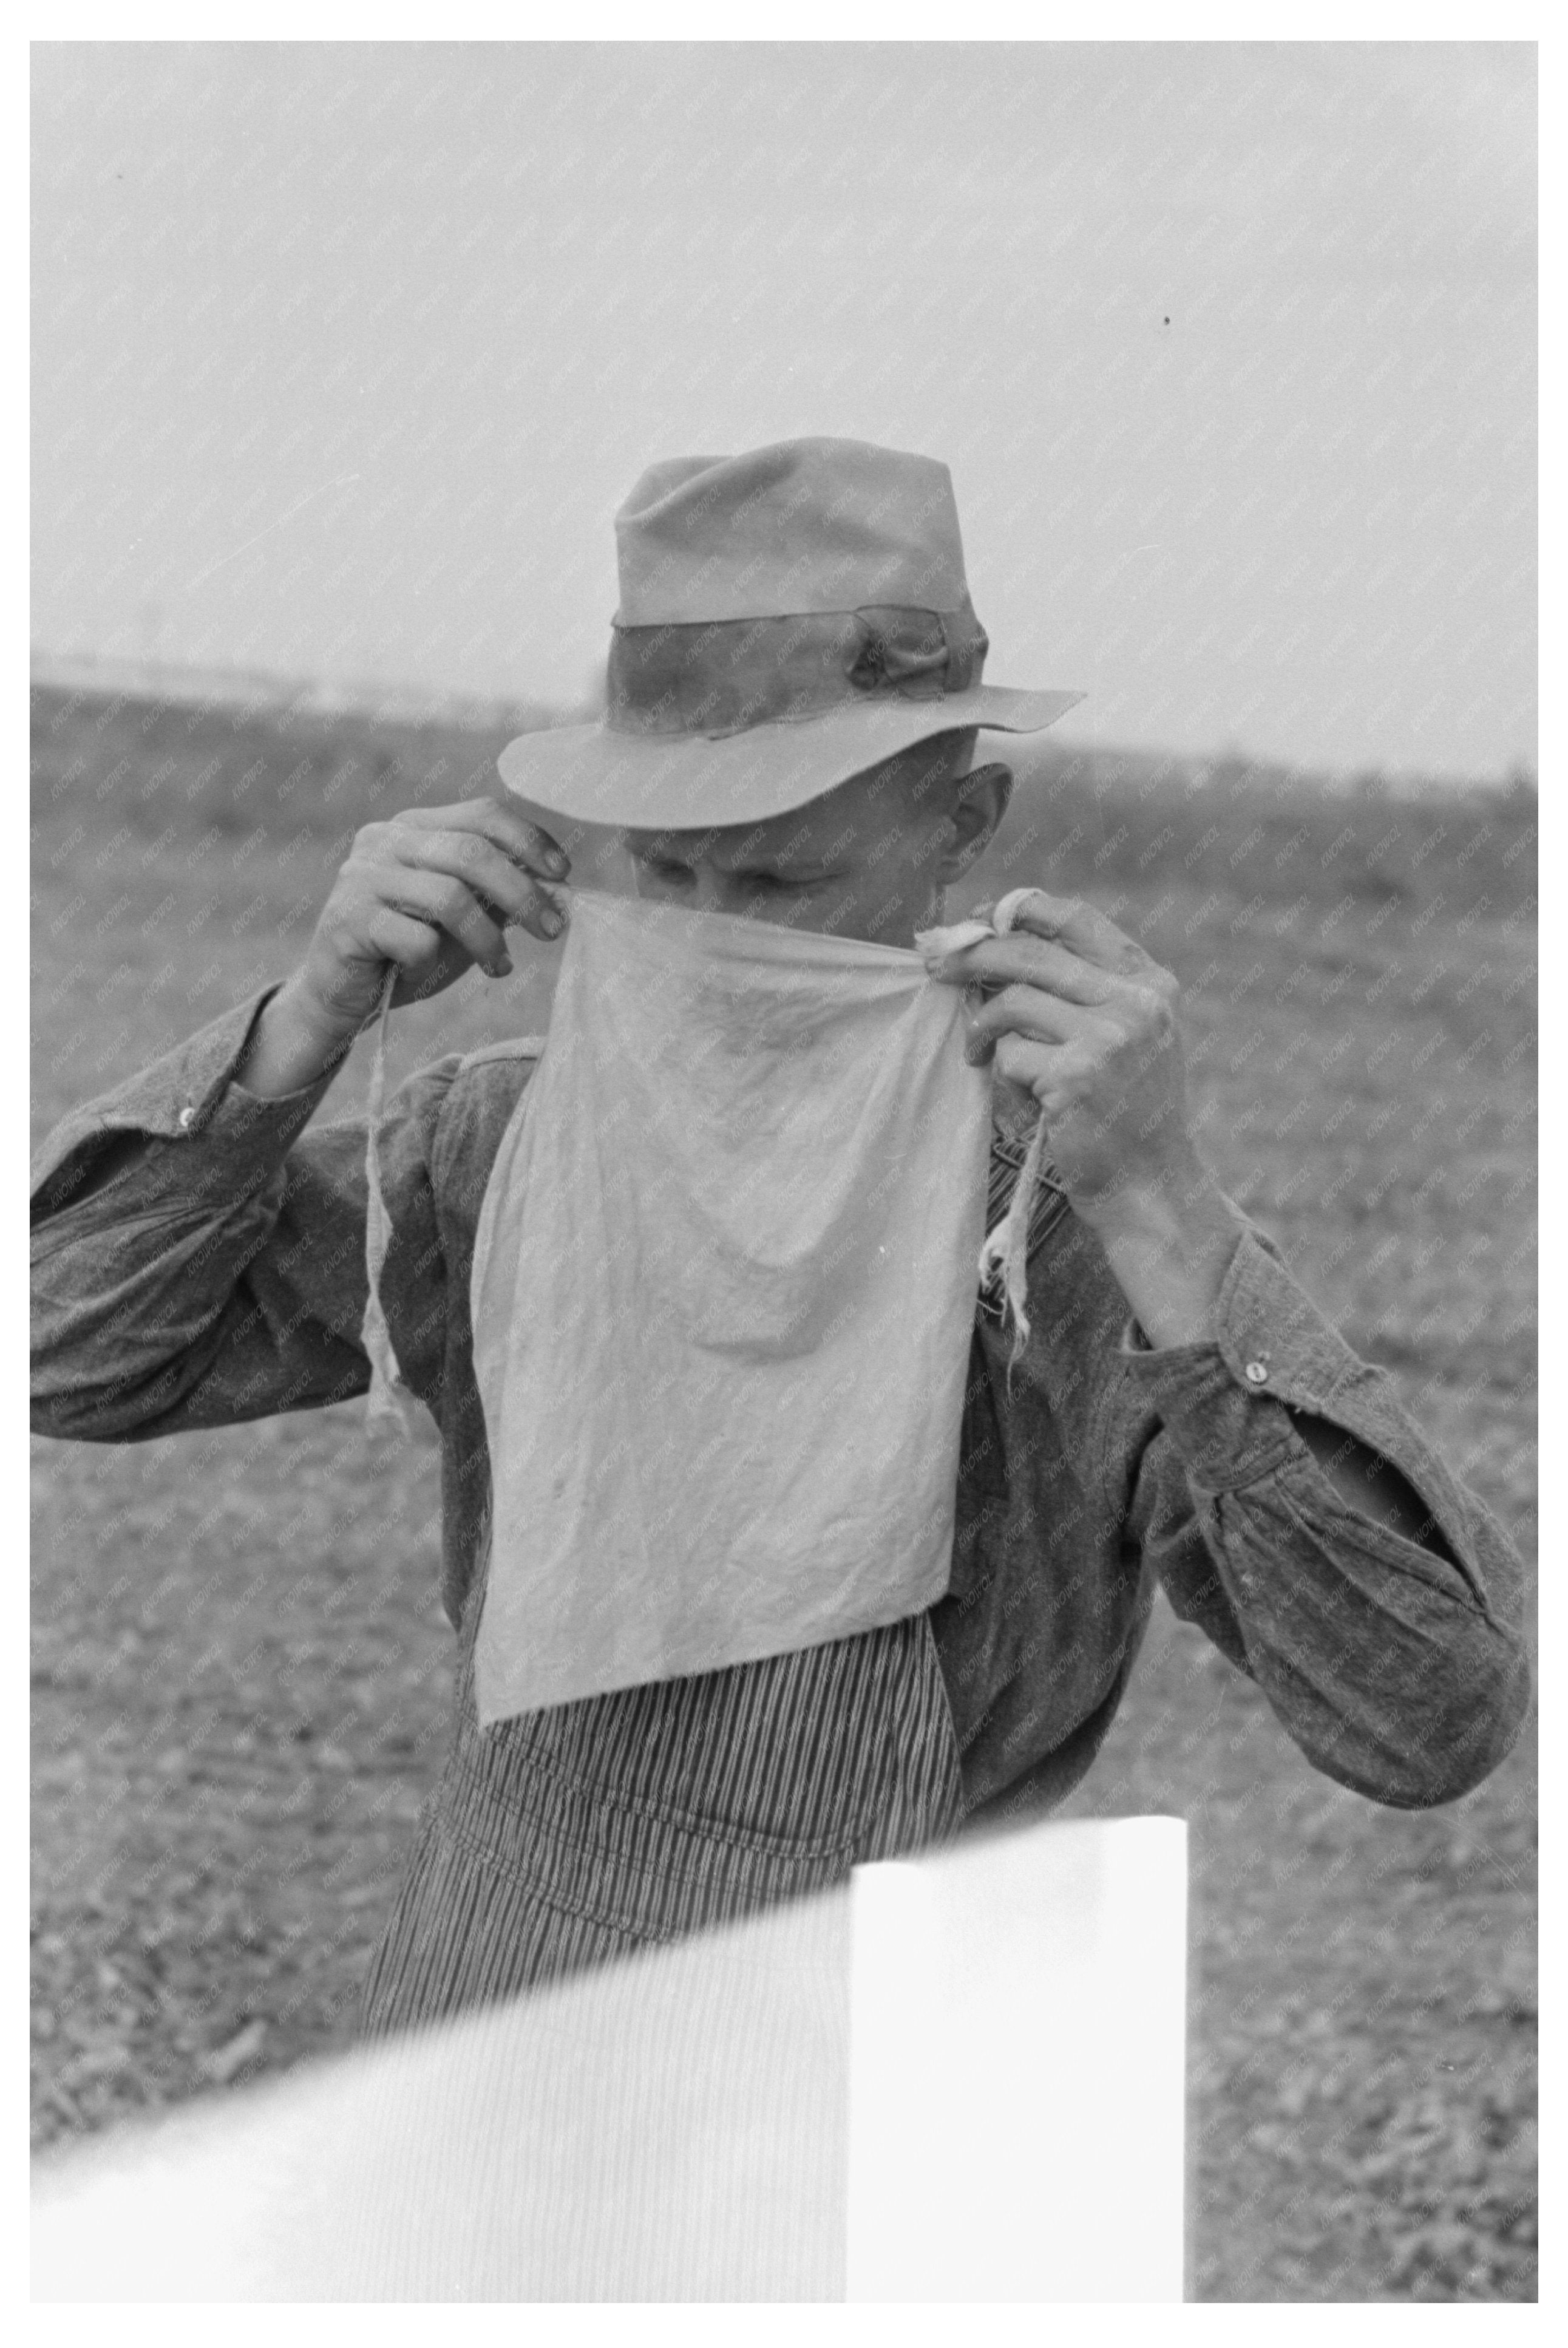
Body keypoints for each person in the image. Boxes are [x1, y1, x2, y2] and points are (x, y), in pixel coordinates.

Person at [32, 438, 1530, 2039]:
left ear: (963, 817)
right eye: (667, 869)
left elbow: (1425, 1714)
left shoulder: (1068, 1216)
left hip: (885, 2055)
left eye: (784, 874)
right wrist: (306, 1016)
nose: (714, 929)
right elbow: (67, 1349)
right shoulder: (508, 1141)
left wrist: (1162, 1205)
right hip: (494, 2020)